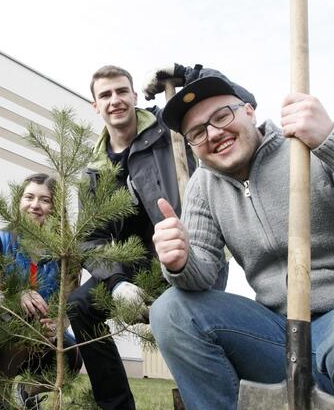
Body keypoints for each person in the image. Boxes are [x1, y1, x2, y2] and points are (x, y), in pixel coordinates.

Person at [149, 66, 334, 409]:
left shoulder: (313, 146)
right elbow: (202, 272)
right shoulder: (204, 187)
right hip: (281, 333)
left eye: (221, 116)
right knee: (171, 310)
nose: (213, 133)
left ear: (249, 111)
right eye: (198, 133)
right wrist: (182, 261)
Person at [66, 65, 207, 410]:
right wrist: (116, 283)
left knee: (194, 327)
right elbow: (90, 238)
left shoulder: (168, 127)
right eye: (105, 95)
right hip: (136, 264)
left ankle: (203, 400)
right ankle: (115, 406)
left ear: (133, 95)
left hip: (188, 249)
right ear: (95, 105)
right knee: (80, 306)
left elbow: (230, 97)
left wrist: (185, 74)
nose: (115, 100)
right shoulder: (95, 171)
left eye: (121, 91)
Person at [0, 173, 82, 409]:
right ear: (19, 201)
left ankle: (29, 393)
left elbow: (70, 302)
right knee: (16, 334)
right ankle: (0, 402)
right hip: (7, 326)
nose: (35, 205)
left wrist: (59, 324)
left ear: (55, 207)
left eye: (45, 200)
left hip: (46, 334)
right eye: (29, 197)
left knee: (73, 353)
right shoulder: (3, 240)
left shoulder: (66, 253)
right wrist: (18, 294)